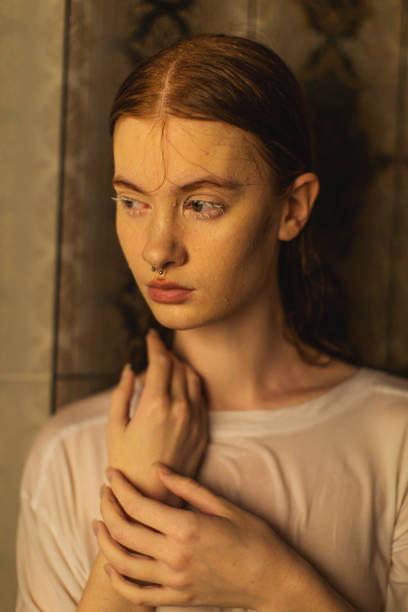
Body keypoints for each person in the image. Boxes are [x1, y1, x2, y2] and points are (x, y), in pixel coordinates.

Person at [16, 34, 408, 612]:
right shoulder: (69, 452)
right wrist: (136, 504)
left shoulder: (394, 440)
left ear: (291, 208)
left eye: (201, 204)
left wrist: (274, 582)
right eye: (133, 202)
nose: (157, 250)